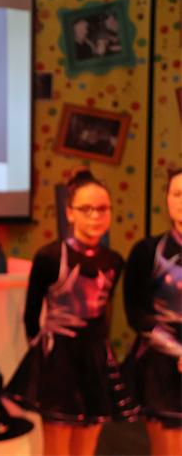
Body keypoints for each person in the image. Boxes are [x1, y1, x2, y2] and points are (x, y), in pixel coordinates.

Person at [3, 170, 139, 455]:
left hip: (96, 360)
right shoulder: (49, 257)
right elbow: (31, 313)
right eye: (86, 209)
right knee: (56, 446)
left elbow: (104, 312)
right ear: (70, 213)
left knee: (87, 445)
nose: (95, 216)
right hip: (59, 361)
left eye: (102, 209)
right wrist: (42, 352)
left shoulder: (114, 261)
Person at [123, 168, 182, 455]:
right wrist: (178, 351)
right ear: (167, 199)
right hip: (161, 368)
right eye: (178, 193)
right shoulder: (147, 251)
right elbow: (136, 313)